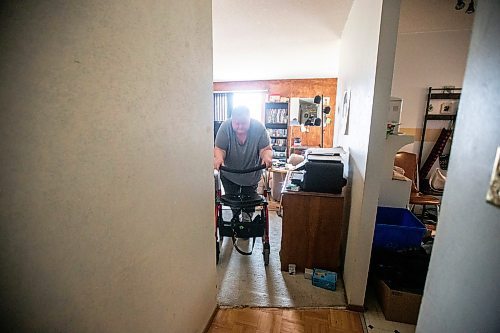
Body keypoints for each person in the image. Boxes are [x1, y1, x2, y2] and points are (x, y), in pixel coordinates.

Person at [214, 106, 273, 223]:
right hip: (230, 174)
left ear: (249, 120)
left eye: (244, 123)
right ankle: (235, 217)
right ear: (232, 120)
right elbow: (219, 149)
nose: (240, 126)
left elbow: (265, 148)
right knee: (233, 200)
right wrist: (219, 158)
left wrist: (266, 157)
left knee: (249, 201)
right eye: (236, 123)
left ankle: (247, 219)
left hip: (251, 174)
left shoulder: (259, 128)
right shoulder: (225, 127)